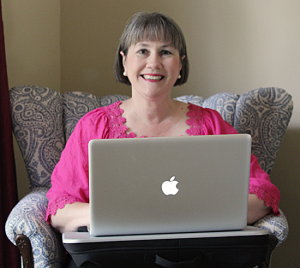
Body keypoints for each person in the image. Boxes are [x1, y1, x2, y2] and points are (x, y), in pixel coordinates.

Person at [46, 12, 280, 235]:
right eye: (143, 51)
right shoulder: (94, 127)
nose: (154, 62)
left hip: (196, 253)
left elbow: (262, 194)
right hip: (116, 255)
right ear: (124, 62)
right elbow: (59, 209)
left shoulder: (211, 125)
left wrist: (192, 214)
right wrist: (126, 215)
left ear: (180, 65)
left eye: (166, 52)